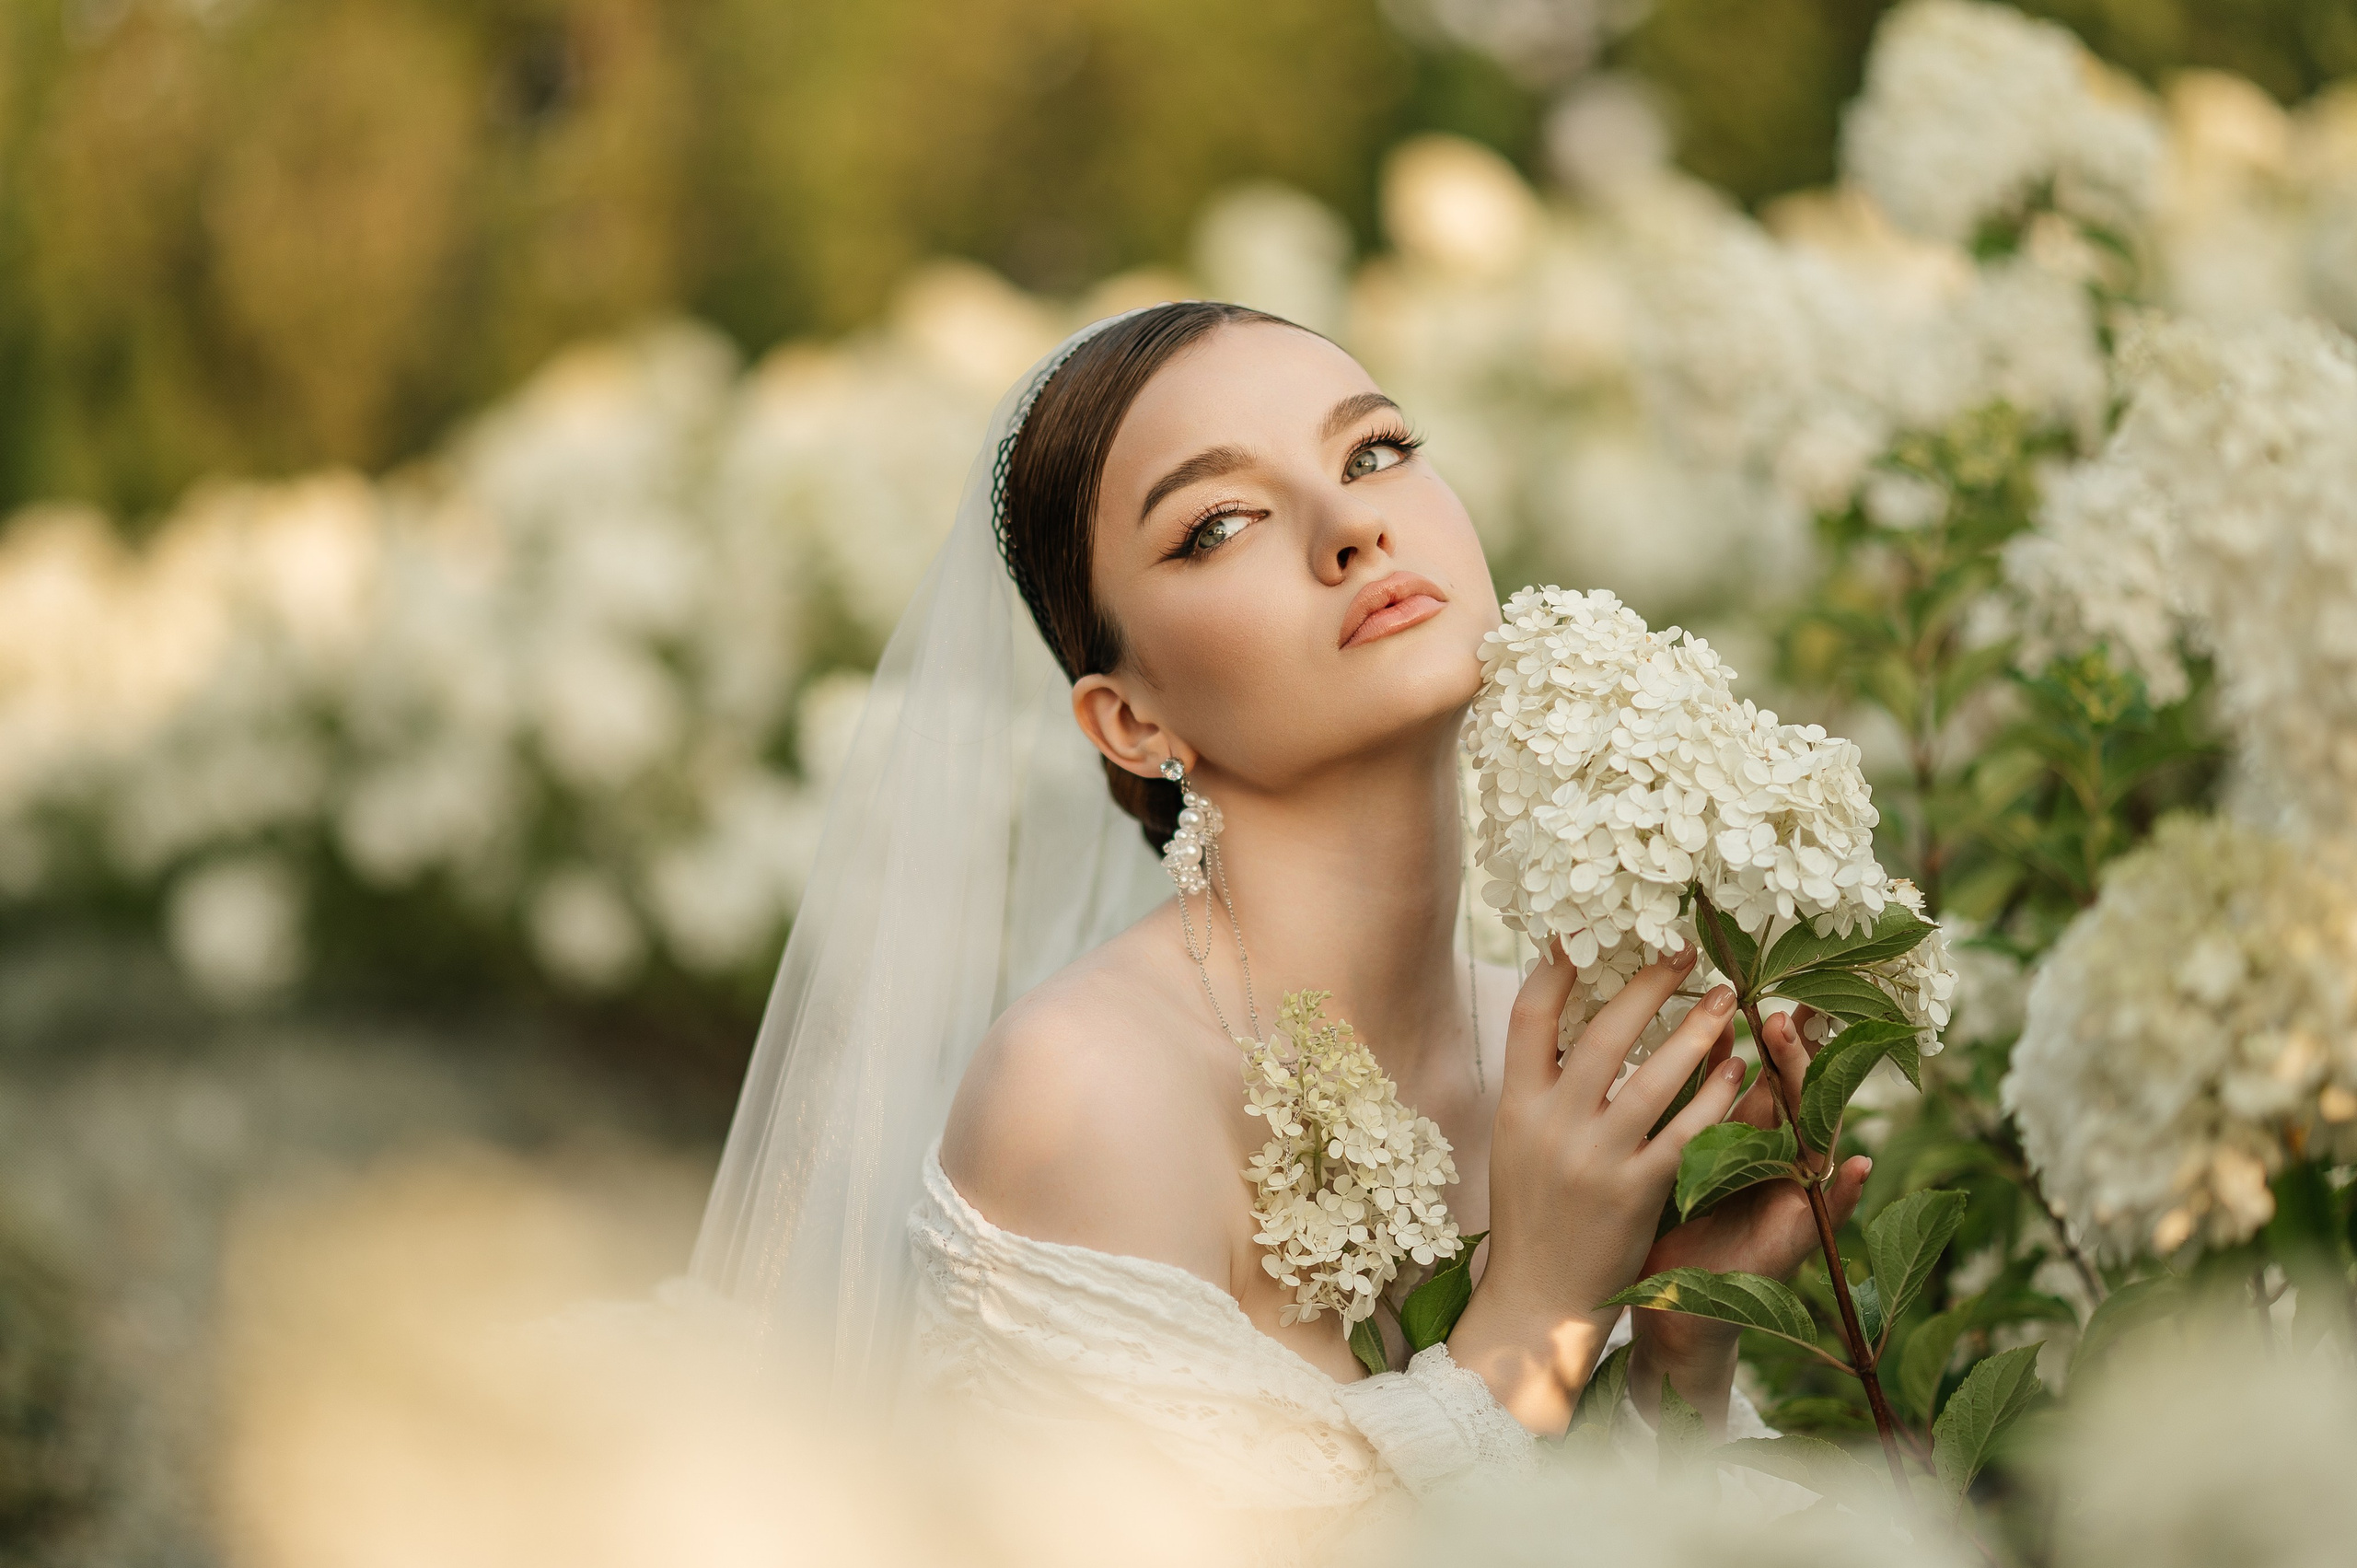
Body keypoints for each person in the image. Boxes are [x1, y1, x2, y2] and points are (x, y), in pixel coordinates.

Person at [691, 302, 1865, 1541]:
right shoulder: (1085, 1093)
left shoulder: (1569, 1051)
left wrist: (1684, 1357)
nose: (1351, 525)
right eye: (1218, 524)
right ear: (1131, 723)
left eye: (1374, 452)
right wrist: (1536, 1323)